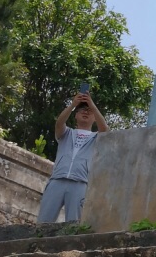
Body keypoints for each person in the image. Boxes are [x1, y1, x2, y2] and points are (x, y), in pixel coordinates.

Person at [36, 91, 108, 223]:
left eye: (89, 111)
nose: (86, 112)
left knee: (73, 223)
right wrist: (73, 104)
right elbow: (59, 123)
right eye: (82, 110)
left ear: (94, 117)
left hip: (80, 183)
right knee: (43, 222)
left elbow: (105, 130)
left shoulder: (96, 138)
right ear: (75, 115)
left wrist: (92, 105)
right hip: (57, 180)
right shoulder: (66, 133)